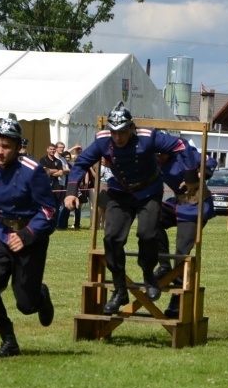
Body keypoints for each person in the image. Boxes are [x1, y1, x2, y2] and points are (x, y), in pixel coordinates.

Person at [63, 103, 199, 314]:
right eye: (114, 132)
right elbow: (81, 162)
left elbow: (180, 146)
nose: (118, 138)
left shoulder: (148, 137)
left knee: (147, 234)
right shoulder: (102, 140)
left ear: (131, 128)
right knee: (111, 238)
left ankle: (148, 275)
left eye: (123, 132)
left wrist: (190, 176)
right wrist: (71, 191)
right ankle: (120, 290)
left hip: (149, 191)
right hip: (121, 192)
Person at [0, 119, 57, 357]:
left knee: (26, 305)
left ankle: (39, 295)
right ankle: (8, 341)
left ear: (18, 146)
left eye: (6, 146)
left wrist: (27, 235)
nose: (0, 151)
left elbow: (50, 210)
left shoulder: (33, 171)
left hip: (31, 237)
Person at [154, 146, 218, 318]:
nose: (158, 158)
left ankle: (177, 299)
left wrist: (199, 174)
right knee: (151, 218)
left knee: (182, 252)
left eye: (160, 154)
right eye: (156, 155)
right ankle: (164, 266)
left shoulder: (185, 153)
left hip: (197, 206)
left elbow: (210, 161)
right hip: (177, 204)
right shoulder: (154, 162)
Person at [39, 143, 64, 227]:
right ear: (47, 150)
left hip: (56, 184)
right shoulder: (43, 160)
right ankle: (45, 222)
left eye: (53, 149)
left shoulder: (58, 161)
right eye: (51, 149)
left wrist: (49, 172)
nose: (52, 151)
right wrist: (54, 170)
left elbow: (61, 173)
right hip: (46, 183)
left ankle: (55, 223)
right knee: (45, 204)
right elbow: (44, 171)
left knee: (56, 204)